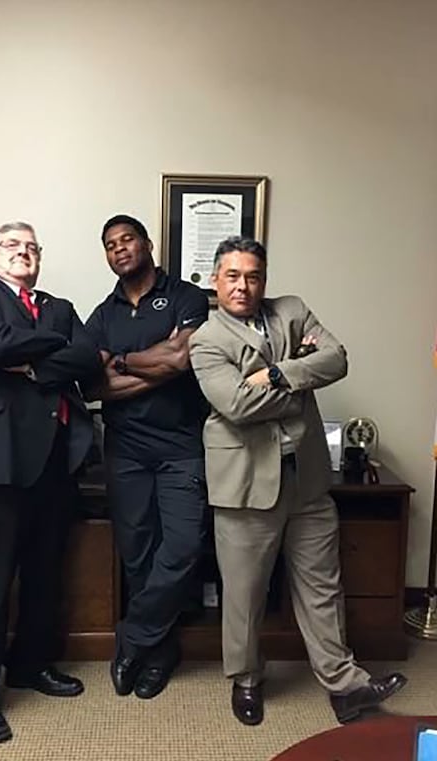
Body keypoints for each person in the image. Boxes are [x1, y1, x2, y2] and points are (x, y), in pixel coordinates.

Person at [188, 236, 407, 726]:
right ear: (215, 280)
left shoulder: (292, 309)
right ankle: (246, 679)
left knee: (322, 586)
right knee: (245, 593)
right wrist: (301, 382)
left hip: (306, 479)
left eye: (253, 276)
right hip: (245, 483)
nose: (244, 285)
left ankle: (345, 684)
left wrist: (276, 374)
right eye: (233, 276)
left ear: (264, 278)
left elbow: (337, 359)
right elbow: (237, 406)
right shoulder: (206, 340)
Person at [0, 221, 101, 743]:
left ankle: (33, 665)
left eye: (32, 248)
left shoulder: (58, 307)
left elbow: (88, 358)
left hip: (55, 460)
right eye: (13, 245)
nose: (24, 253)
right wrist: (55, 348)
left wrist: (35, 361)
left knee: (44, 574)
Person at [83, 214, 209, 699]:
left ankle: (132, 638)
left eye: (128, 239)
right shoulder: (102, 315)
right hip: (125, 450)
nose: (120, 249)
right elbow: (93, 386)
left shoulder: (186, 296)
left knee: (181, 547)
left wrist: (119, 362)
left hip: (182, 448)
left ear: (148, 244)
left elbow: (184, 359)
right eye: (110, 244)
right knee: (137, 554)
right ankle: (159, 653)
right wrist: (157, 364)